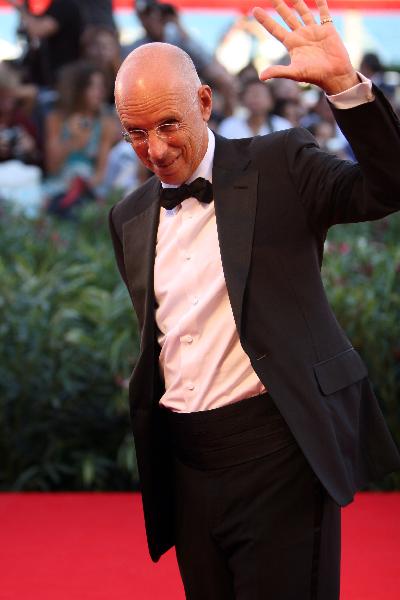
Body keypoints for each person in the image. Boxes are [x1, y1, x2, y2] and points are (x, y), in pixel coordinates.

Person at [109, 0, 400, 598]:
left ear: (206, 104)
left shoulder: (281, 163)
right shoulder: (129, 217)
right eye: (136, 133)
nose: (156, 150)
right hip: (187, 469)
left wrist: (345, 88)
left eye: (168, 125)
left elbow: (388, 187)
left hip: (279, 458)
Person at [43, 61, 115, 215]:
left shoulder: (105, 124)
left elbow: (100, 173)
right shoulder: (57, 118)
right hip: (58, 185)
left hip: (87, 186)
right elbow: (51, 167)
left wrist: (84, 184)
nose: (99, 92)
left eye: (102, 87)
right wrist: (71, 143)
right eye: (93, 87)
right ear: (80, 89)